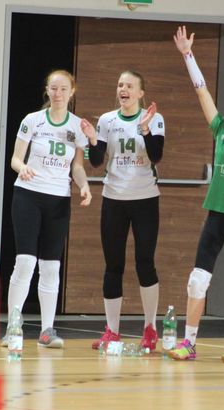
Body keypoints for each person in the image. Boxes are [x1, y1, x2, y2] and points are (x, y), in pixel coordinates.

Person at [168, 26, 224, 363]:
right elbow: (201, 91)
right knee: (198, 280)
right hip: (218, 212)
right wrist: (187, 55)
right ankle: (189, 343)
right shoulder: (221, 129)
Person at [3, 69, 96, 349]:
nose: (58, 94)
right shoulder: (33, 120)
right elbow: (15, 159)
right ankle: (13, 327)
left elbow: (77, 166)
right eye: (53, 88)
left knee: (51, 265)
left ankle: (47, 330)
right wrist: (23, 167)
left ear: (72, 92)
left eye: (63, 89)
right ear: (47, 90)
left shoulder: (77, 126)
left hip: (58, 199)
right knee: (25, 262)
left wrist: (84, 186)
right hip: (28, 195)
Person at [87, 70, 165, 352]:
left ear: (141, 93)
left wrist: (145, 129)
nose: (124, 89)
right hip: (114, 199)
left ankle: (150, 329)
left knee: (145, 263)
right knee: (113, 265)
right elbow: (96, 162)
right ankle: (112, 331)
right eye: (121, 84)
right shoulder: (107, 120)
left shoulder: (154, 118)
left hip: (145, 199)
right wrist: (92, 140)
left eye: (130, 86)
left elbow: (156, 155)